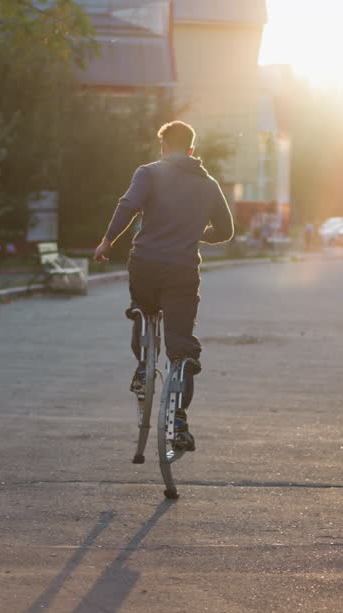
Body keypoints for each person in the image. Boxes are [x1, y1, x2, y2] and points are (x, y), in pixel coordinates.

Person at [93, 120, 233, 452]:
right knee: (181, 347)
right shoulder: (209, 184)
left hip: (146, 265)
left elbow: (128, 206)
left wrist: (107, 241)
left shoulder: (149, 173)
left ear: (163, 147)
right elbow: (226, 230)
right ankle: (179, 420)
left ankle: (143, 368)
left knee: (143, 310)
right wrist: (197, 233)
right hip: (182, 271)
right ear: (191, 149)